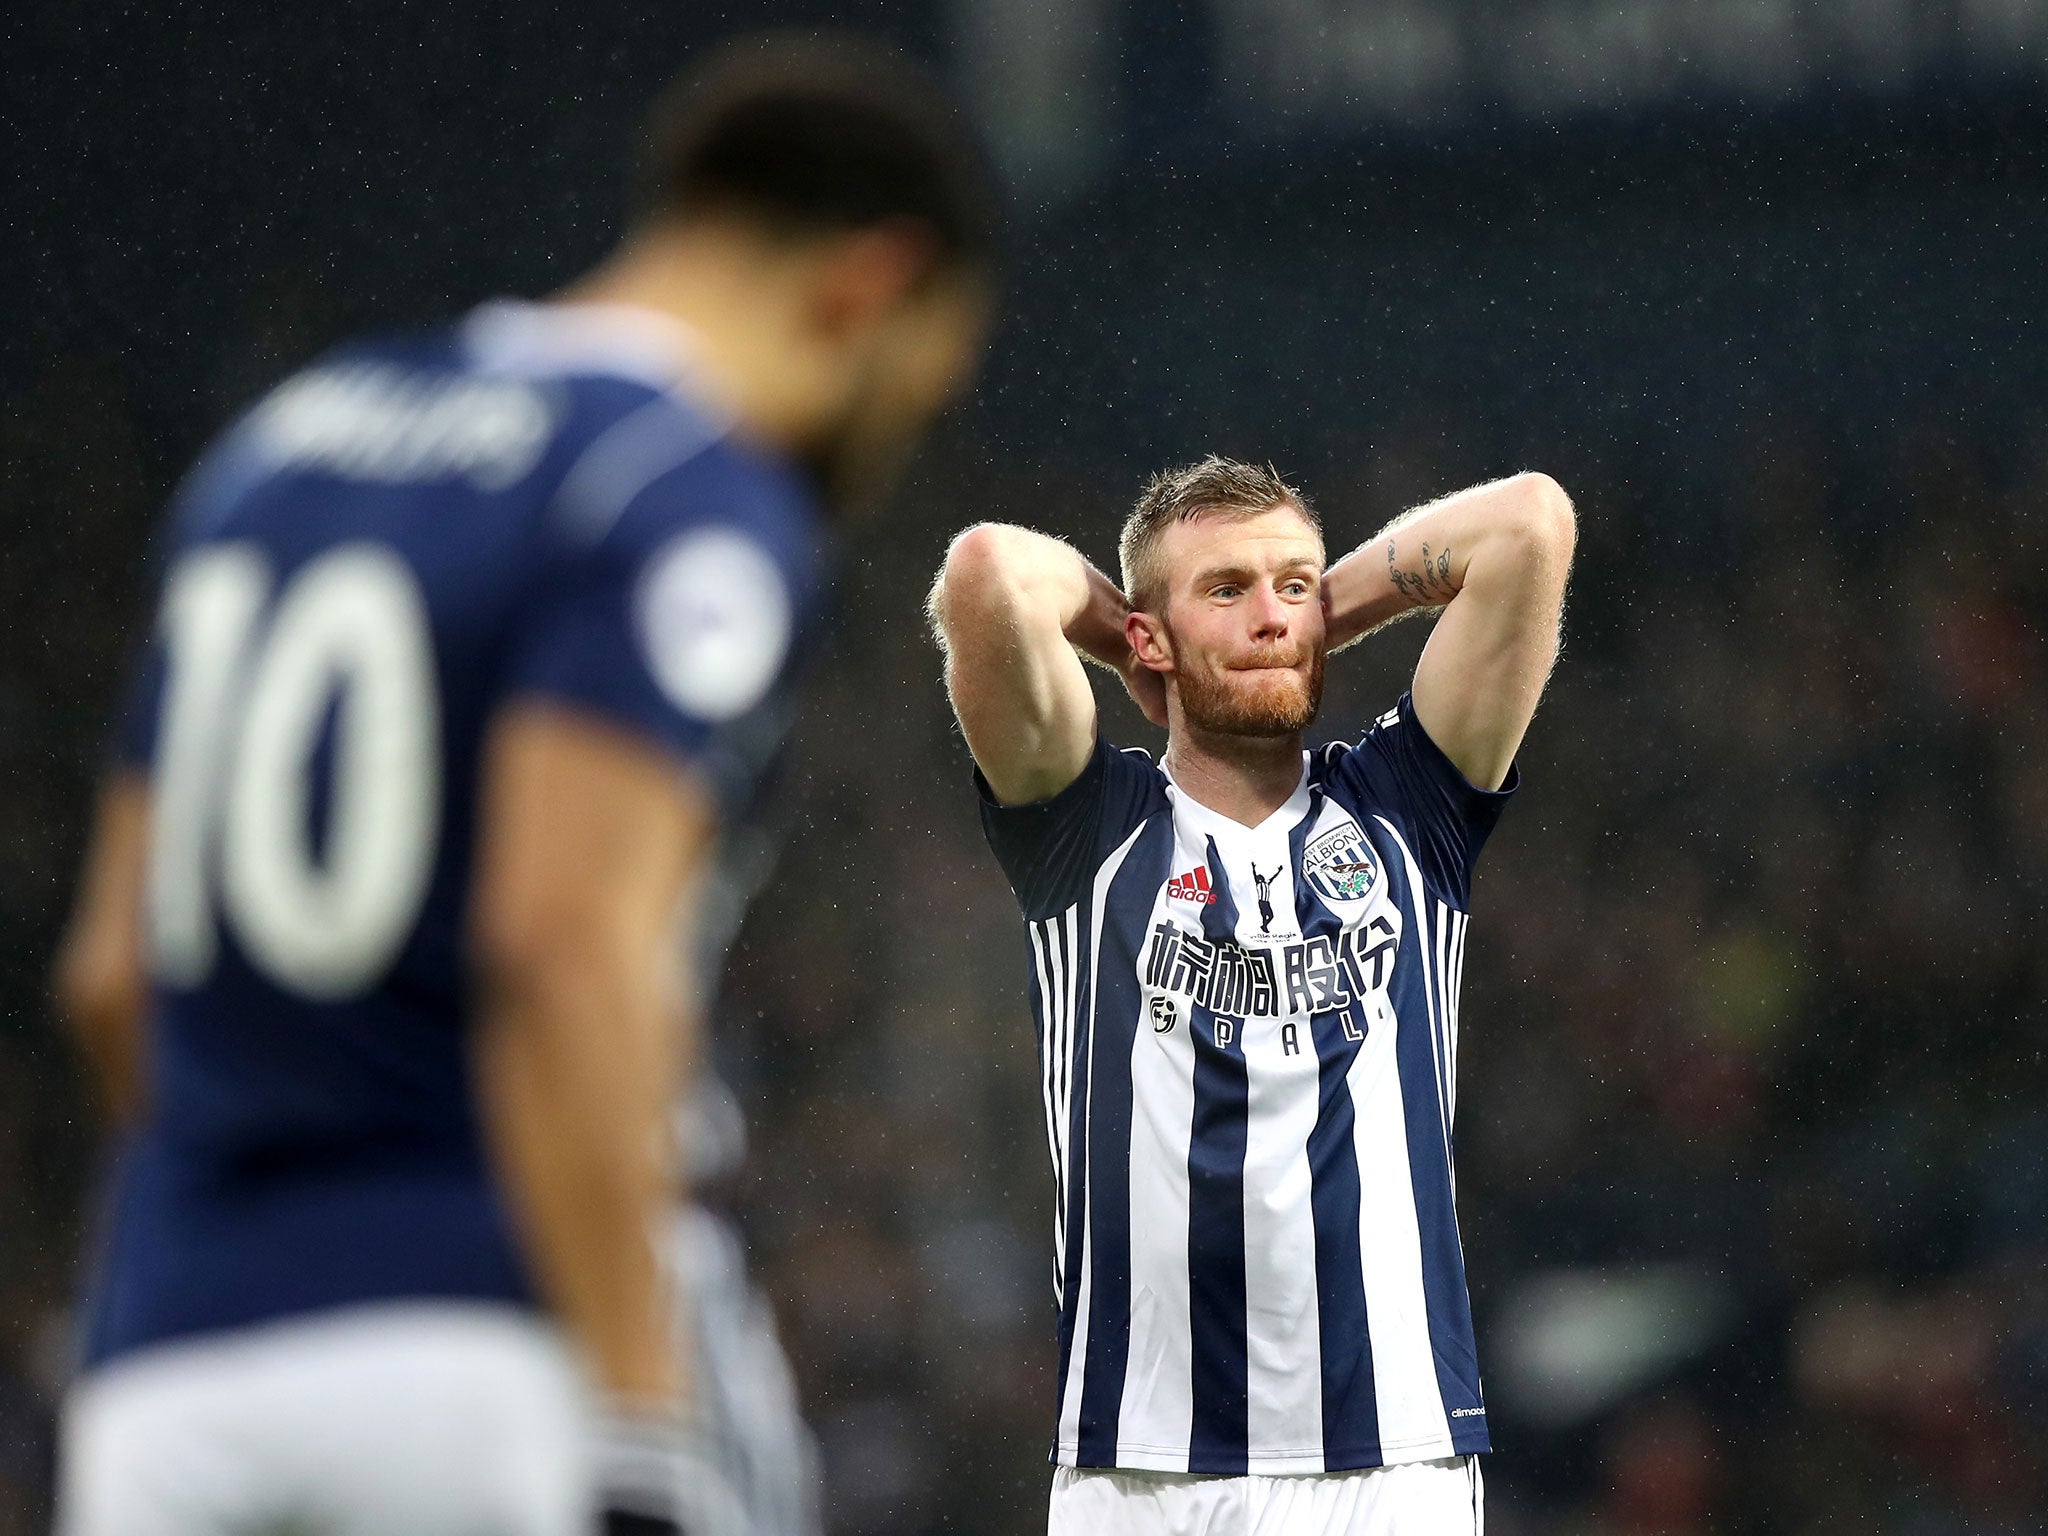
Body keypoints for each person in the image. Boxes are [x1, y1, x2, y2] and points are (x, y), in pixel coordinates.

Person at [50, 33, 995, 1536]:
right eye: (925, 383)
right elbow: (559, 939)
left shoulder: (284, 447)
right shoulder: (673, 486)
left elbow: (113, 975)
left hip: (166, 1376)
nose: (896, 437)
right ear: (870, 286)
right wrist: (635, 1430)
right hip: (488, 1343)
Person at [929, 456, 1573, 1533]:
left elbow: (1528, 524)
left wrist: (1327, 609)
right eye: (1224, 589)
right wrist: (1142, 642)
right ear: (1149, 636)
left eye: (1292, 585)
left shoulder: (1407, 812)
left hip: (1390, 1463)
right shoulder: (1087, 830)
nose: (1269, 617)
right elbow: (987, 574)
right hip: (1140, 1471)